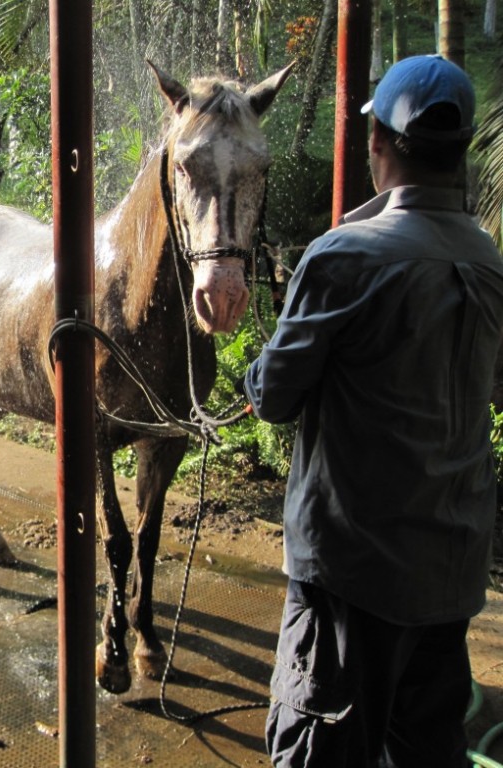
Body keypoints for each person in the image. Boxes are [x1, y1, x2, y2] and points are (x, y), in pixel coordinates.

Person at [241, 55, 503, 767]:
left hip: (351, 580)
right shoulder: (490, 264)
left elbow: (273, 396)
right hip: (449, 577)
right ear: (462, 154)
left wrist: (253, 366)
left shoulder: (345, 258)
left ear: (378, 146)